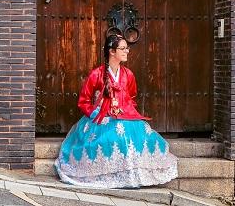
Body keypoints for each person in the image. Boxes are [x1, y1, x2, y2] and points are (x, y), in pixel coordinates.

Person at [55, 33, 179, 188]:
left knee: (135, 138)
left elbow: (131, 97)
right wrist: (96, 113)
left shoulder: (129, 75)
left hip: (124, 116)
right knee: (110, 139)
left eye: (127, 48)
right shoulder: (96, 74)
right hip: (101, 118)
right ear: (112, 51)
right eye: (123, 48)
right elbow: (83, 102)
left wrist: (126, 110)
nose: (127, 51)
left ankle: (131, 175)